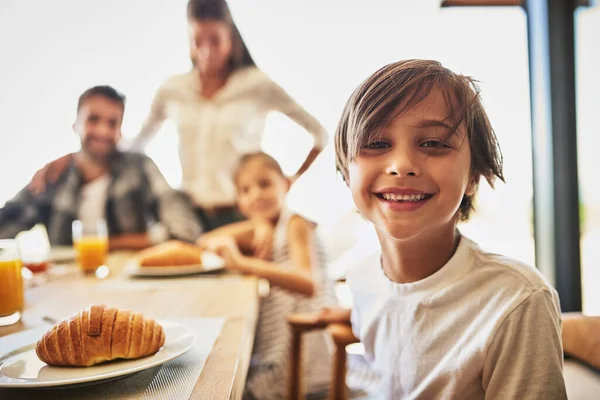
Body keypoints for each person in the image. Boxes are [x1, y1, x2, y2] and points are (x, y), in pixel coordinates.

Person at [323, 59, 567, 398]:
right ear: (347, 172)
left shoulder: (516, 301)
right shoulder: (363, 281)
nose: (402, 166)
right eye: (377, 144)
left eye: (434, 143)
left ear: (473, 177)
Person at [30, 0, 328, 231]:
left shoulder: (257, 84)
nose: (206, 51)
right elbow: (134, 145)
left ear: (232, 38)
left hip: (243, 215)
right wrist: (73, 158)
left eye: (215, 40)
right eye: (198, 40)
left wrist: (289, 179)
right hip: (189, 215)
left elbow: (319, 134)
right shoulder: (173, 89)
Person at [198, 152, 335, 399]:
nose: (256, 195)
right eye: (245, 190)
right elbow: (204, 242)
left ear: (286, 184)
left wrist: (244, 264)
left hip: (306, 342)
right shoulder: (267, 228)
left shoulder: (295, 223)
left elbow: (308, 283)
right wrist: (257, 224)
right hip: (285, 338)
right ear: (238, 201)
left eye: (265, 184)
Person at [0, 86, 202, 249]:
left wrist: (108, 244)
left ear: (120, 131)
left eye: (112, 123)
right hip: (65, 288)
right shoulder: (54, 176)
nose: (102, 131)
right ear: (76, 124)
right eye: (93, 119)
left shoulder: (140, 168)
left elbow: (184, 229)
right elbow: (8, 221)